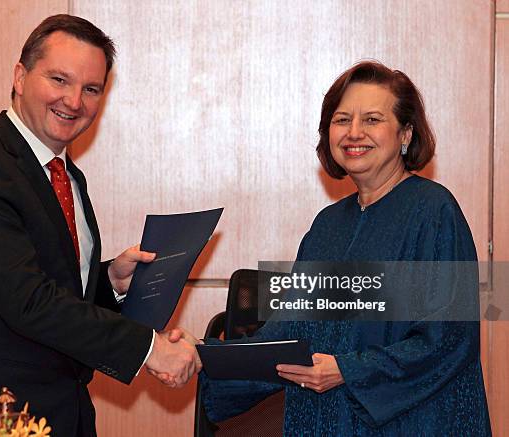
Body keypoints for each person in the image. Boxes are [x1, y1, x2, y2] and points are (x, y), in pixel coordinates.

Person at [0, 14, 199, 437]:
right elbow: (28, 301)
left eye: (91, 89)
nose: (73, 101)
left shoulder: (66, 176)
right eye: (59, 80)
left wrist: (108, 281)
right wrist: (150, 349)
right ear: (19, 76)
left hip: (60, 414)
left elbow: (53, 288)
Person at [198, 61, 492, 435]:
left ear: (405, 134)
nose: (354, 133)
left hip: (416, 422)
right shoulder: (327, 226)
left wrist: (348, 371)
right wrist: (204, 357)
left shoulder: (434, 211)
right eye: (342, 120)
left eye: (372, 120)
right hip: (328, 418)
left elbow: (448, 339)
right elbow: (287, 334)